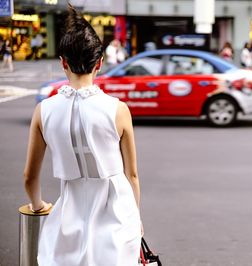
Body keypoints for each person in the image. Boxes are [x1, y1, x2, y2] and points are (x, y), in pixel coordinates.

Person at [23, 4, 142, 265]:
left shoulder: (44, 111)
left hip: (69, 220)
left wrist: (38, 206)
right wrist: (136, 220)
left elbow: (30, 177)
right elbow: (131, 175)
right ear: (99, 63)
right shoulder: (118, 110)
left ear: (62, 63)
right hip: (117, 218)